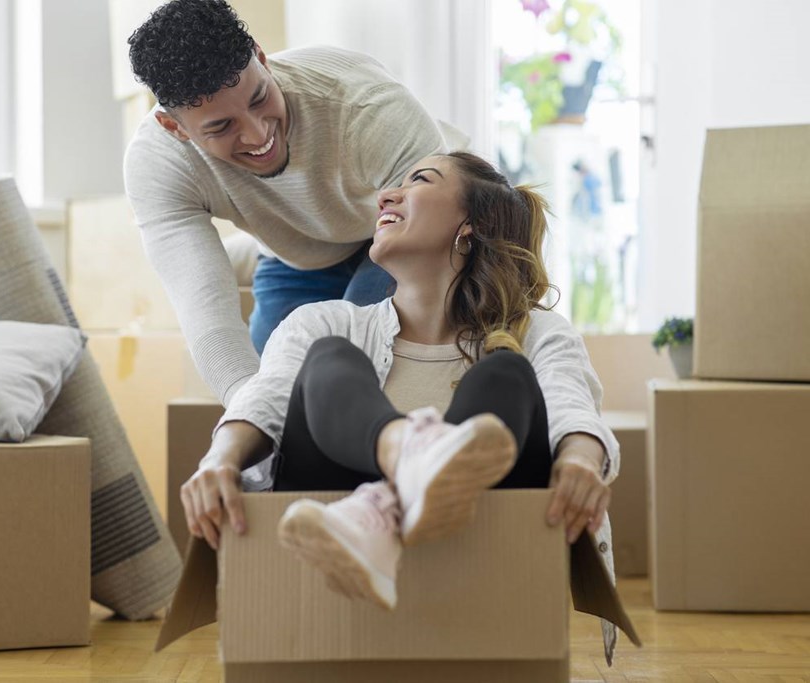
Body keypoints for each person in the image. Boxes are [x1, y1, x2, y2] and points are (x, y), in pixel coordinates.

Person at [179, 151, 622, 658]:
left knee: (505, 370)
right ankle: (405, 457)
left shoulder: (537, 333)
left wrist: (582, 462)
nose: (387, 196)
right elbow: (270, 392)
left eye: (420, 181)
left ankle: (388, 506)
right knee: (328, 358)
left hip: (477, 585)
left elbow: (571, 403)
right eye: (393, 185)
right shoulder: (326, 322)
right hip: (329, 577)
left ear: (470, 226)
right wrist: (220, 459)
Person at [125, 0, 467, 406]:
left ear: (262, 59)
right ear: (174, 128)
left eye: (259, 98)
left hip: (406, 231)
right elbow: (208, 316)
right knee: (277, 384)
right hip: (297, 254)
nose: (257, 135)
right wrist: (251, 420)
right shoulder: (158, 165)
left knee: (357, 366)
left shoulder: (367, 105)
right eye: (221, 126)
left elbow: (434, 236)